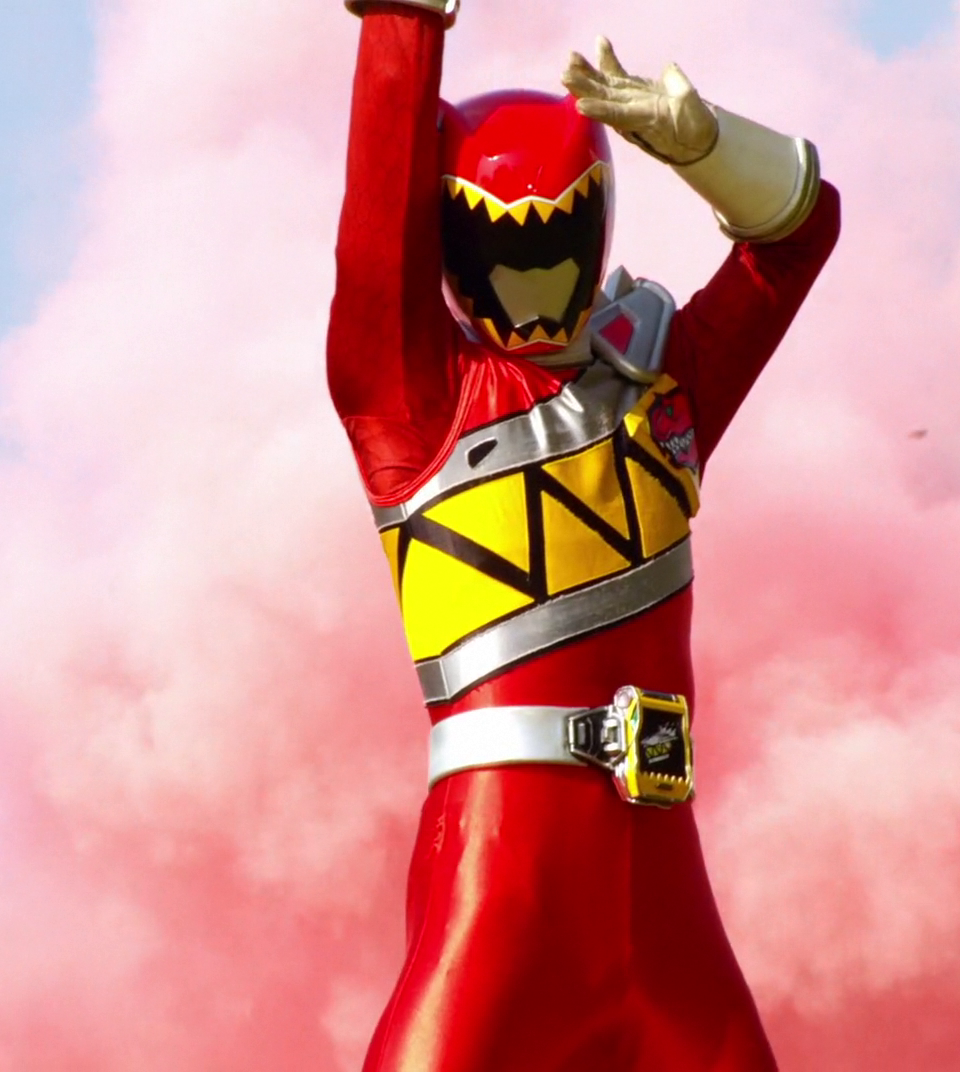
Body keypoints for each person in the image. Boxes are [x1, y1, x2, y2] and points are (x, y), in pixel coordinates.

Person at [328, 1, 840, 1067]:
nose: (533, 285)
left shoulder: (660, 380)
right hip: (499, 880)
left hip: (661, 896)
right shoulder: (415, 400)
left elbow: (801, 234)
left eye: (555, 247)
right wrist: (404, 22)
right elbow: (376, 224)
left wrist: (705, 147)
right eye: (505, 251)